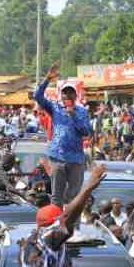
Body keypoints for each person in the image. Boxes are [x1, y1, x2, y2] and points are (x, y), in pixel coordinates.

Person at [34, 62, 92, 207]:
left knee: (73, 197)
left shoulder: (82, 112)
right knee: (56, 198)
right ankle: (56, 226)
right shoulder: (55, 108)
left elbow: (86, 132)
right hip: (57, 157)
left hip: (76, 158)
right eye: (65, 92)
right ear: (61, 95)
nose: (67, 94)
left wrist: (73, 115)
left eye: (70, 92)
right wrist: (48, 78)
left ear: (75, 95)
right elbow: (37, 96)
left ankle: (70, 224)